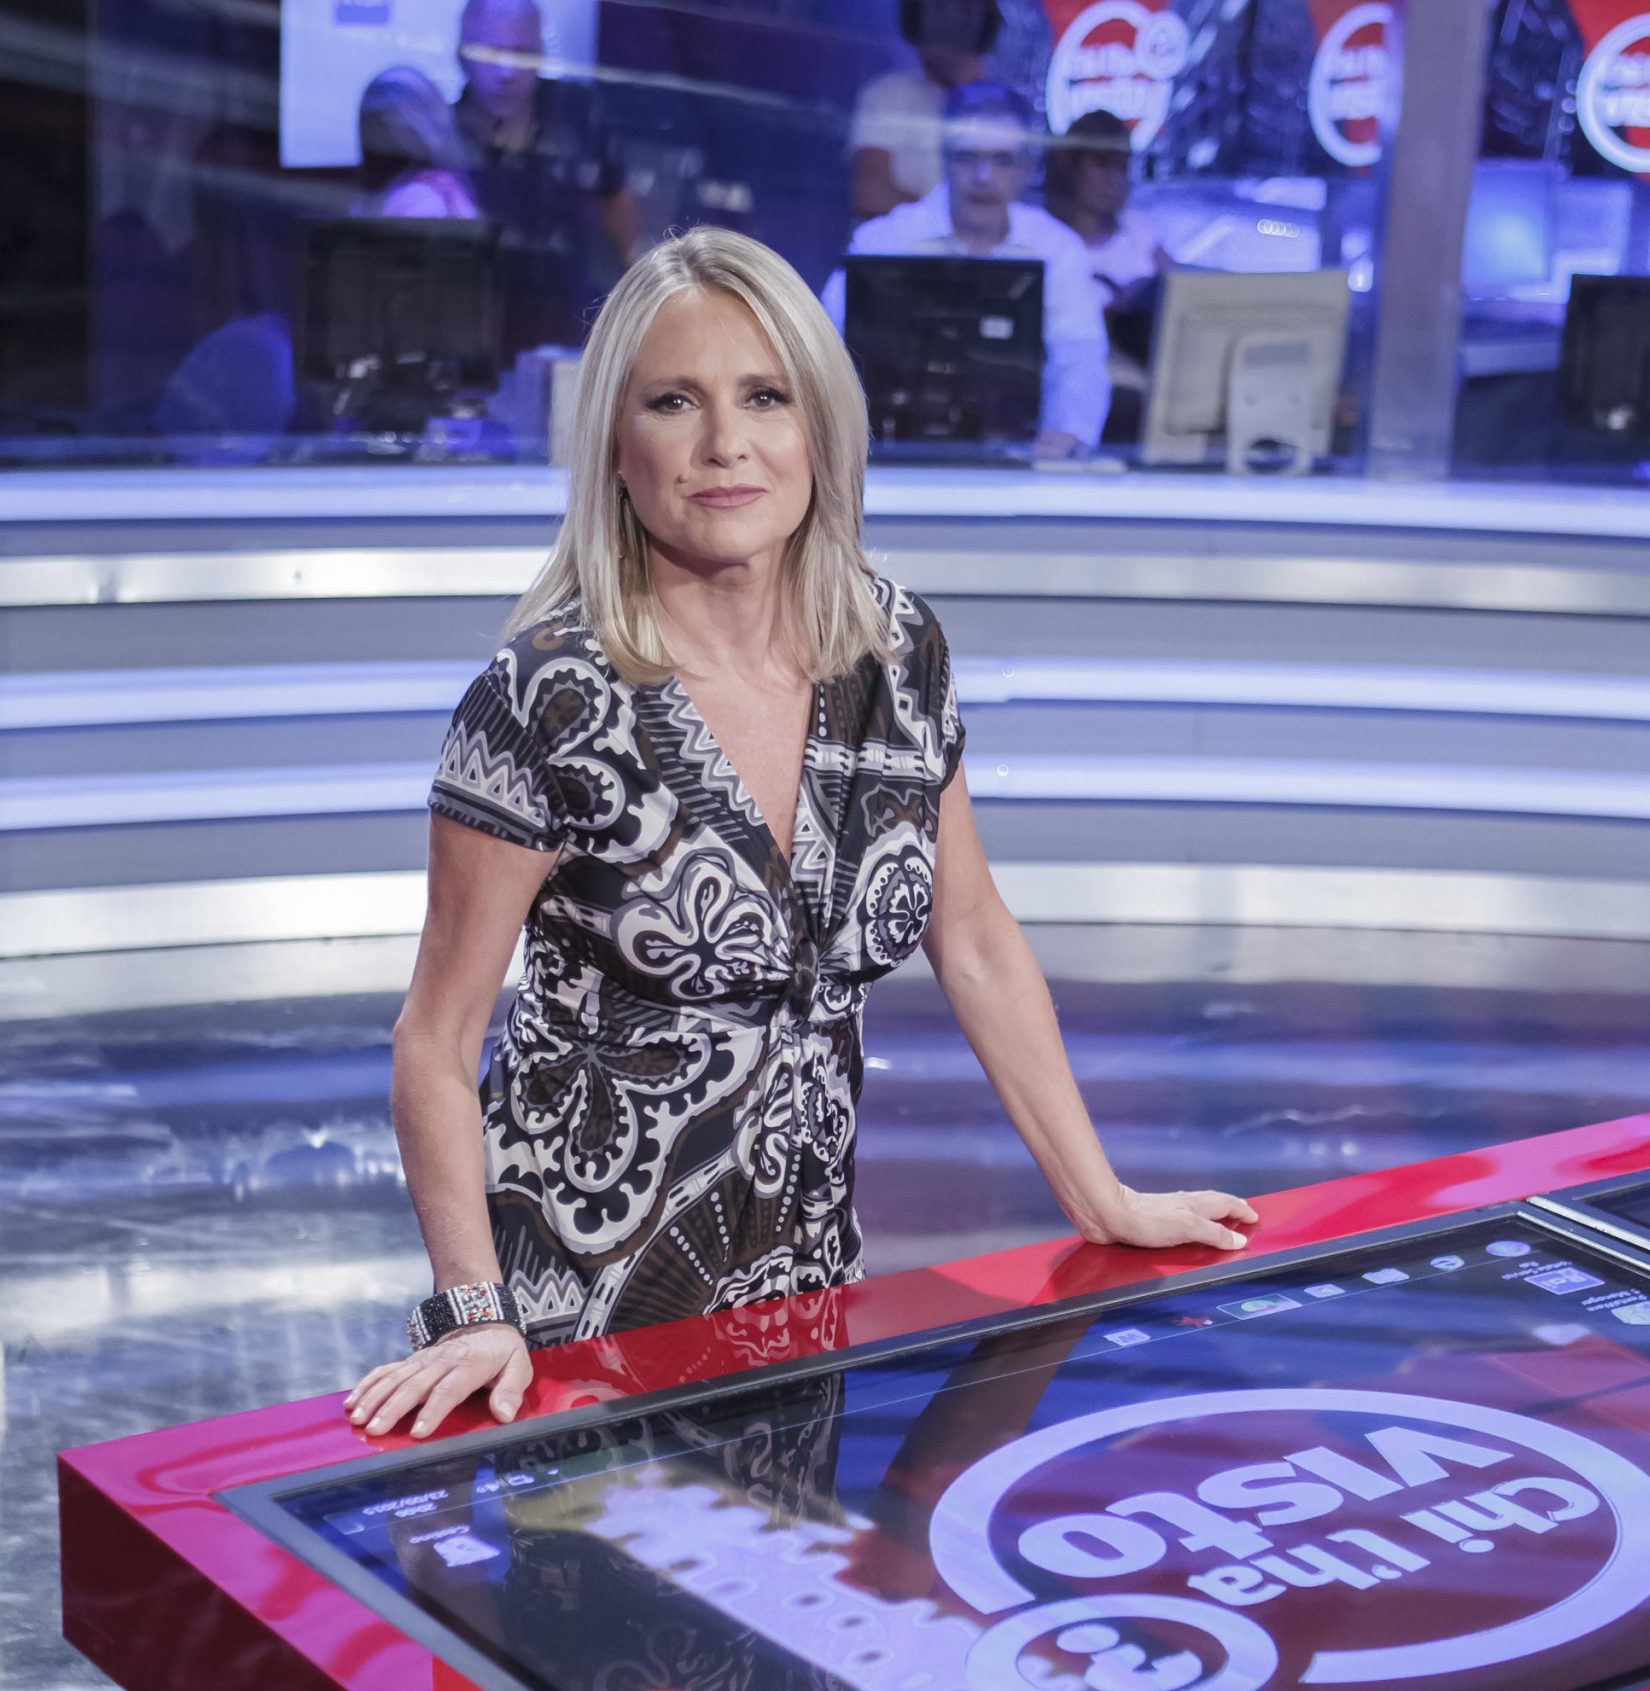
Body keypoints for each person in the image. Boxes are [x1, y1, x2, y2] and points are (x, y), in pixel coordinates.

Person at [344, 229, 1257, 1439]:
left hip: (808, 1296)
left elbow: (974, 936)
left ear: (821, 428)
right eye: (675, 401)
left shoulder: (895, 652)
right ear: (616, 445)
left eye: (765, 397)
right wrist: (472, 1309)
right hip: (577, 1323)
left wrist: (1102, 1196)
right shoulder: (545, 698)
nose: (726, 442)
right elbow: (436, 1035)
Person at [823, 81, 1111, 456]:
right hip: (886, 456)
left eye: (1002, 160)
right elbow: (823, 351)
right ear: (944, 160)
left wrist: (1066, 434)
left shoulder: (1057, 249)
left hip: (1017, 460)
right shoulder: (882, 241)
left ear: (1025, 168)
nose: (983, 177)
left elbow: (1079, 357)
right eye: (967, 158)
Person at [452, 0, 641, 349]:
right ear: (462, 56)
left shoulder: (577, 116)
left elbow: (616, 199)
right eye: (491, 52)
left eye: (522, 53)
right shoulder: (444, 141)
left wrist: (641, 293)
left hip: (574, 328)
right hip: (476, 333)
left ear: (540, 56)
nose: (507, 71)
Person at [849, 0, 1001, 222]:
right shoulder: (887, 95)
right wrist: (958, 224)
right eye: (937, 6)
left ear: (984, 19)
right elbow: (871, 195)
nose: (947, 21)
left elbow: (1008, 211)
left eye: (963, 7)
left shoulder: (1004, 109)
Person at [1042, 108, 1167, 310]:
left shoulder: (1138, 229)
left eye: (1122, 166)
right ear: (1070, 166)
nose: (1113, 179)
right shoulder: (1040, 236)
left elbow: (1182, 294)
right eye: (1101, 164)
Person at [354, 66, 479, 220]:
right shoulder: (405, 190)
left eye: (398, 121)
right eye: (374, 121)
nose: (382, 135)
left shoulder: (422, 198)